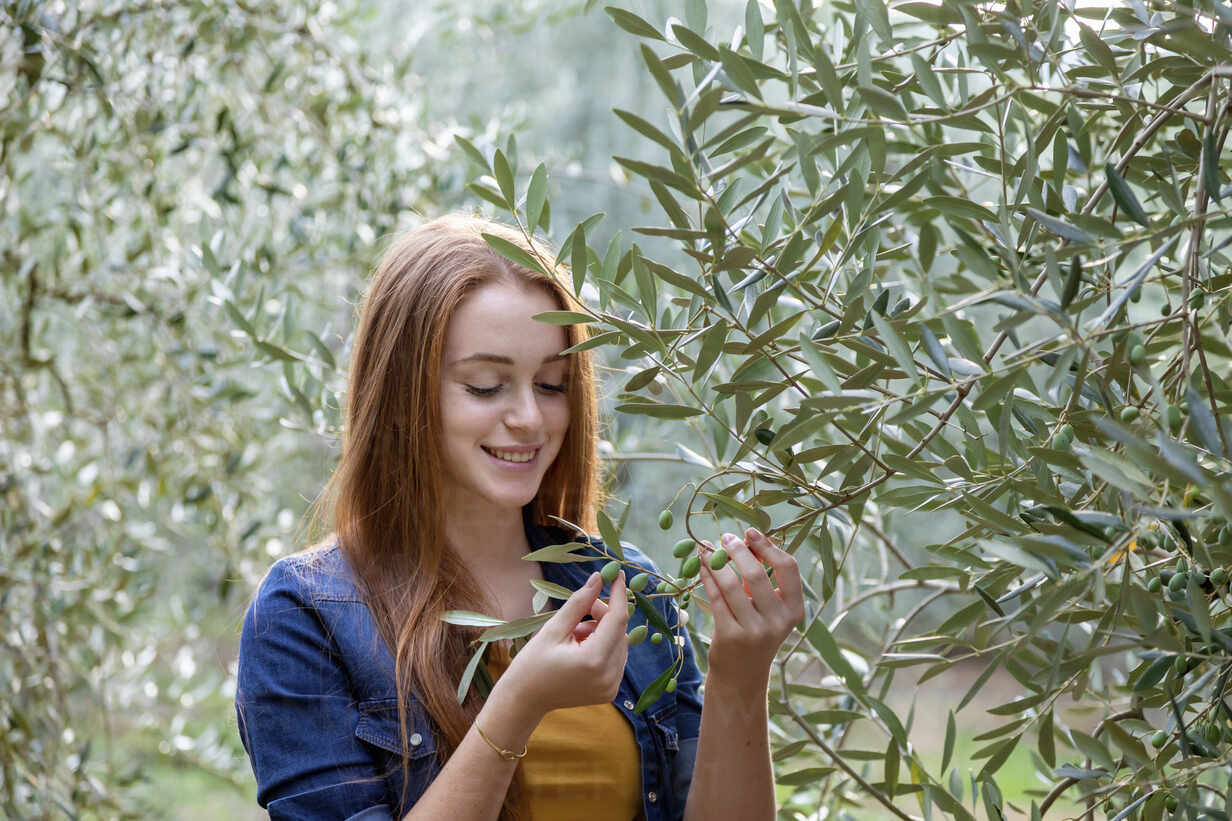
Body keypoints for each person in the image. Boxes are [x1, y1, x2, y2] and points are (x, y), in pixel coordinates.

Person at [235, 214, 806, 821]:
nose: (531, 419)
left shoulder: (625, 590)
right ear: (402, 394)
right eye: (486, 386)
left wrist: (739, 676)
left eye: (553, 384)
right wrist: (518, 704)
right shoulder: (307, 616)